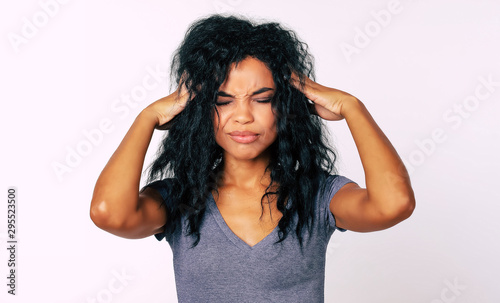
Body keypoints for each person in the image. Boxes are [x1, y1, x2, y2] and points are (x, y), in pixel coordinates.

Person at [90, 14, 415, 302]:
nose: (243, 116)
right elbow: (109, 213)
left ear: (285, 105)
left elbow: (393, 205)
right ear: (200, 108)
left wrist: (352, 107)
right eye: (223, 101)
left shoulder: (317, 196)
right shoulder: (180, 198)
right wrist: (146, 118)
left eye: (262, 99)